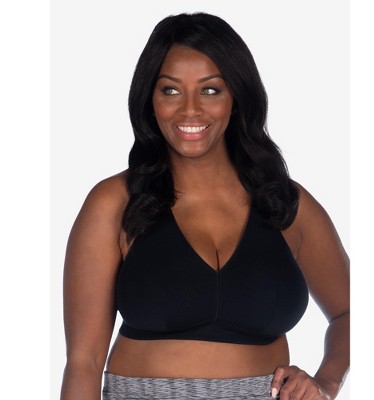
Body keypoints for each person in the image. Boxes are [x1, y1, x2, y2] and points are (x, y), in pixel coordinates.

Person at [60, 12, 349, 400]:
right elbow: (84, 361)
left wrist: (326, 383)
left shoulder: (286, 204)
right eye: (171, 90)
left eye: (210, 90)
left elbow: (353, 313)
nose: (190, 110)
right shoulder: (114, 203)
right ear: (150, 100)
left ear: (237, 99)